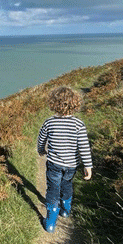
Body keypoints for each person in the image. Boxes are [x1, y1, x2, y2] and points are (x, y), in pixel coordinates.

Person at [37, 86, 93, 233]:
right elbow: (84, 147)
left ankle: (50, 222)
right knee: (67, 185)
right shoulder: (79, 125)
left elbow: (41, 139)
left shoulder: (49, 122)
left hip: (54, 164)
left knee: (53, 189)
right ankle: (65, 210)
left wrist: (41, 150)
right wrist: (88, 166)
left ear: (54, 103)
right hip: (71, 165)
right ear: (75, 104)